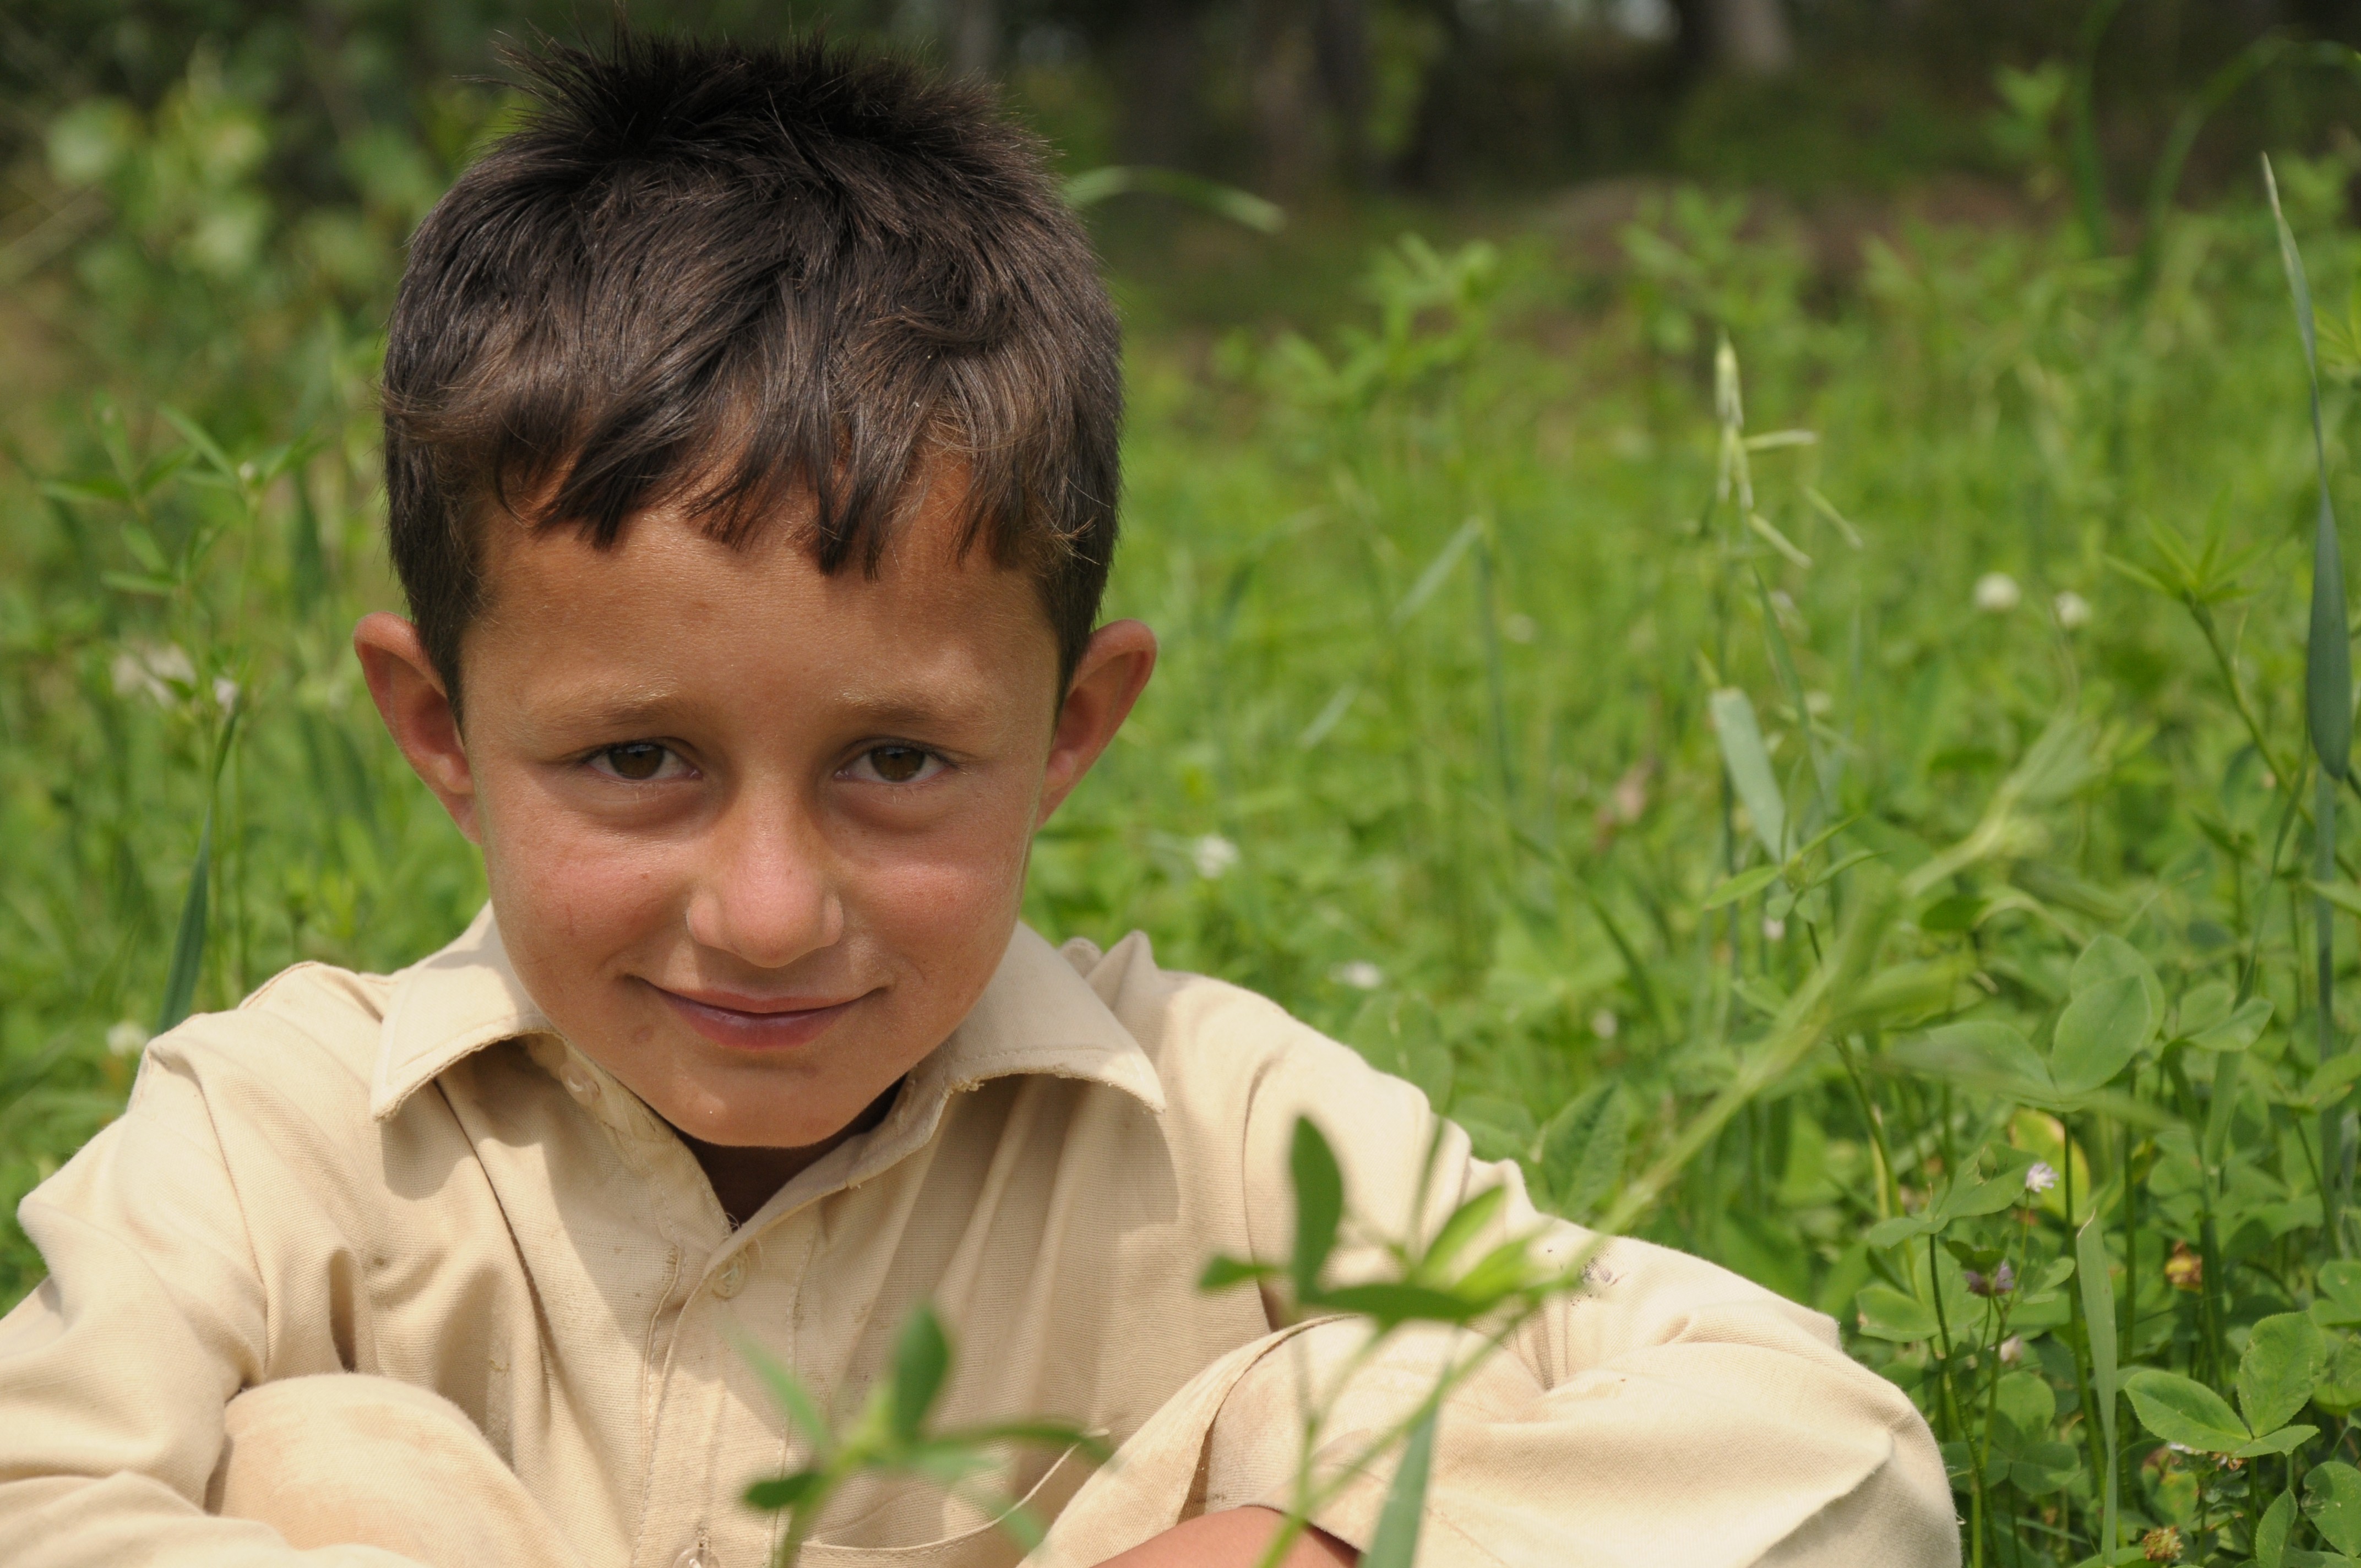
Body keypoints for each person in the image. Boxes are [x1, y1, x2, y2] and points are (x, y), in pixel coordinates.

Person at [0, 30, 1955, 1568]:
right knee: (327, 1463)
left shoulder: (1223, 1126)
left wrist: (1302, 1535)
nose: (768, 910)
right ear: (436, 727)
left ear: (1075, 730)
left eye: (897, 764)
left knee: (1383, 1402)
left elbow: (1840, 1461)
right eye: (637, 761)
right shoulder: (274, 1144)